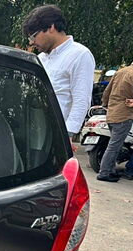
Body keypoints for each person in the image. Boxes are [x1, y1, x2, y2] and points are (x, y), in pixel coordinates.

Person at [23, 5, 95, 147]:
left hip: (56, 136)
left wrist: (67, 135)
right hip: (34, 129)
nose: (31, 42)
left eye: (33, 36)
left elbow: (81, 100)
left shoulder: (79, 55)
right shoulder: (42, 58)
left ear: (51, 27)